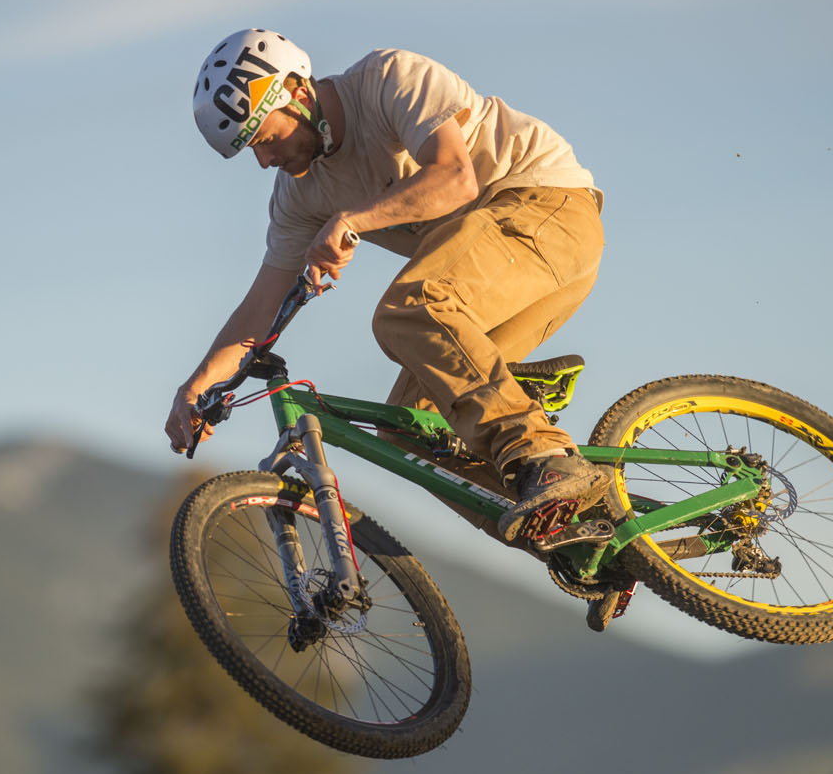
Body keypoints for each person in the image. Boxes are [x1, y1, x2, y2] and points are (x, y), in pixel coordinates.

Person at [167, 29, 608, 543]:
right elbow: (261, 306)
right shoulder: (298, 195)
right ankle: (584, 538)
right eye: (251, 151)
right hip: (504, 275)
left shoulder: (387, 80)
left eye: (265, 139)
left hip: (546, 210)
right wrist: (195, 386)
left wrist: (353, 220)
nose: (264, 161)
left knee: (410, 307)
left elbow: (455, 177)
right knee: (411, 432)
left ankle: (542, 455)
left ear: (298, 92)